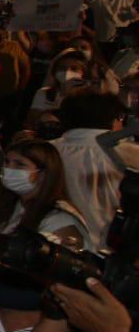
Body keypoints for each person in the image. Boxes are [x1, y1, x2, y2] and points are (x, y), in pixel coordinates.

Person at [51, 91, 138, 251]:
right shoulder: (130, 153)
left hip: (49, 244)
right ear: (115, 119)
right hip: (107, 249)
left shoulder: (46, 150)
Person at [0, 139, 89, 250]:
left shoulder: (60, 220)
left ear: (43, 174)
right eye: (7, 162)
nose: (8, 169)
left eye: (19, 164)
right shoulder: (15, 206)